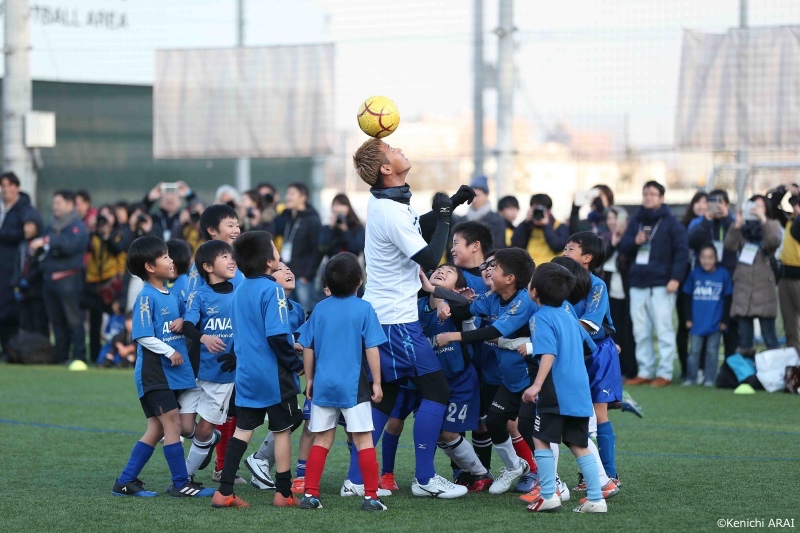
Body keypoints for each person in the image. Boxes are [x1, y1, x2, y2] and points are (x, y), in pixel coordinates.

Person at [352, 136, 474, 499]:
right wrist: (447, 217)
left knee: (387, 398)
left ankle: (357, 479)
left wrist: (447, 205)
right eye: (392, 150)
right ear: (385, 169)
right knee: (437, 390)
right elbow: (430, 259)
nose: (400, 148)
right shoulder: (390, 209)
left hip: (388, 317)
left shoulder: (388, 201)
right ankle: (424, 479)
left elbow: (416, 226)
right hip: (395, 320)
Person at [111, 236, 212, 498]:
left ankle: (125, 482)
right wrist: (169, 351)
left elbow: (187, 320)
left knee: (156, 429)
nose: (171, 260)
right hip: (155, 375)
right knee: (173, 426)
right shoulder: (146, 297)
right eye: (165, 256)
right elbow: (143, 335)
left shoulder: (171, 294)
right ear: (150, 266)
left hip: (173, 376)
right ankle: (181, 483)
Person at [210, 231, 303, 509]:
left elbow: (242, 334)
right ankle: (284, 494)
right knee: (283, 431)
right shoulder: (272, 290)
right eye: (275, 250)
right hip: (273, 376)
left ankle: (224, 492)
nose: (279, 255)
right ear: (267, 262)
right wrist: (295, 364)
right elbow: (276, 336)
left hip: (247, 376)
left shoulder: (240, 290)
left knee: (243, 431)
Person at [436, 248, 537, 495]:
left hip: (531, 376)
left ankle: (544, 477)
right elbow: (466, 311)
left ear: (510, 278)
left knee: (540, 431)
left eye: (496, 266)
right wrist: (442, 300)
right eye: (487, 266)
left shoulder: (523, 301)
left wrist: (453, 336)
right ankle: (515, 467)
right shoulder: (492, 297)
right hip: (504, 376)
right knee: (495, 422)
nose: (489, 270)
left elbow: (494, 332)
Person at [296, 252, 388, 512]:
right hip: (354, 386)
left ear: (327, 283)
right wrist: (377, 383)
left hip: (324, 384)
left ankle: (310, 495)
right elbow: (372, 349)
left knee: (322, 439)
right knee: (363, 441)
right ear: (360, 281)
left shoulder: (320, 308)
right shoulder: (364, 308)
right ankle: (371, 497)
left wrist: (311, 379)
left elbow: (308, 347)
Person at [521, 263, 607, 514]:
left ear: (534, 291)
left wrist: (536, 385)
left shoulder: (540, 317)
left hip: (555, 390)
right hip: (580, 390)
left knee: (540, 437)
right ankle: (595, 499)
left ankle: (548, 495)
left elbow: (547, 352)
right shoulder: (570, 314)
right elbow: (590, 347)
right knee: (579, 443)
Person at [418, 265, 494, 491]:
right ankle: (467, 473)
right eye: (438, 269)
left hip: (460, 380)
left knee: (450, 432)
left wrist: (441, 297)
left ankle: (481, 473)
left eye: (448, 272)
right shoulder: (417, 307)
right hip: (431, 382)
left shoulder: (458, 307)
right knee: (437, 432)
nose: (441, 271)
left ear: (459, 289)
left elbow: (465, 308)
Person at [561, 232, 625, 490]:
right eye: (565, 247)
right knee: (577, 415)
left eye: (571, 248)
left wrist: (557, 331)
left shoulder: (597, 285)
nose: (565, 252)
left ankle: (608, 474)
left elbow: (591, 323)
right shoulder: (560, 282)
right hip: (573, 352)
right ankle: (590, 473)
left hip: (598, 353)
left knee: (599, 415)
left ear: (587, 258)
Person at [245, 261, 312, 496]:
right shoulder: (267, 300)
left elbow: (301, 336)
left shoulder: (297, 308)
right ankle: (258, 460)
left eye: (290, 269)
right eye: (281, 269)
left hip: (288, 373)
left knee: (290, 419)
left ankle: (260, 465)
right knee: (286, 418)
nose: (288, 272)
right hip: (270, 372)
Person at [618, 181, 688, 386]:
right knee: (640, 331)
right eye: (645, 193)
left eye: (653, 194)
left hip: (662, 284)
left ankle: (665, 373)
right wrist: (634, 242)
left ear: (662, 197)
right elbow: (623, 247)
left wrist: (675, 278)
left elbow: (682, 253)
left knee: (663, 329)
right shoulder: (636, 221)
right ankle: (646, 370)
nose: (648, 197)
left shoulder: (672, 223)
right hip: (638, 282)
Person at [179, 240, 238, 481]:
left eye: (231, 256)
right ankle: (209, 440)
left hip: (223, 375)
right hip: (195, 372)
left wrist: (237, 355)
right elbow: (188, 325)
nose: (231, 260)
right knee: (183, 427)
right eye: (224, 257)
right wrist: (203, 338)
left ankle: (184, 477)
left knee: (204, 429)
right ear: (208, 266)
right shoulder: (199, 295)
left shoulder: (240, 294)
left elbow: (250, 329)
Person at [30, 190, 90, 364]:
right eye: (54, 203)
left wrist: (48, 241)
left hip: (69, 279)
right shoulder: (51, 225)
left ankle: (79, 355)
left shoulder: (76, 226)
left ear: (70, 204)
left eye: (58, 203)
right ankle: (60, 355)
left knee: (73, 320)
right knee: (56, 321)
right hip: (49, 280)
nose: (54, 206)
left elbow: (71, 246)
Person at [724, 196, 783, 354]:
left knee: (770, 338)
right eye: (753, 206)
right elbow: (729, 246)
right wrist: (737, 224)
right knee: (745, 340)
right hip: (743, 289)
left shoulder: (771, 225)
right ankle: (747, 375)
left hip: (764, 288)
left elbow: (775, 240)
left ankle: (775, 374)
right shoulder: (742, 228)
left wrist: (763, 219)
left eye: (760, 206)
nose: (756, 209)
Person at [688, 189, 738, 357]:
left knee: (730, 325)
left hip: (729, 277)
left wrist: (727, 218)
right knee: (704, 324)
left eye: (720, 203)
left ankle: (730, 368)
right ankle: (700, 370)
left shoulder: (732, 222)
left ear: (727, 205)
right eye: (712, 202)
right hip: (705, 278)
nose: (716, 207)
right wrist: (707, 220)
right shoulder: (700, 222)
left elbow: (739, 240)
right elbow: (691, 241)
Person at [85, 205, 131, 362]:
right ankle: (94, 356)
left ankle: (115, 356)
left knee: (115, 322)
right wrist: (90, 230)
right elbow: (85, 249)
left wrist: (106, 236)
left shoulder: (119, 234)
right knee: (94, 322)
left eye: (108, 216)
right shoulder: (93, 234)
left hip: (112, 284)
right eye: (102, 216)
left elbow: (118, 249)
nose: (105, 220)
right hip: (93, 283)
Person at [682, 244, 733, 386]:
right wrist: (688, 318)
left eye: (710, 257)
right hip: (697, 322)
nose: (707, 261)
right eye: (704, 257)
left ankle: (710, 379)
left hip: (715, 322)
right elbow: (686, 296)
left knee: (712, 352)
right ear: (699, 258)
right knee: (694, 351)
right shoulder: (694, 274)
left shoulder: (723, 275)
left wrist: (724, 320)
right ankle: (691, 378)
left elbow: (728, 298)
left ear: (716, 258)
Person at [599, 206, 636, 378]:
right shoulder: (604, 238)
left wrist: (622, 242)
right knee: (613, 328)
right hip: (609, 288)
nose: (612, 222)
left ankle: (630, 368)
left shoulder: (631, 238)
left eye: (616, 218)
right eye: (609, 218)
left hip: (627, 288)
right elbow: (599, 260)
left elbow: (629, 260)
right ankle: (614, 368)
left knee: (628, 328)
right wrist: (613, 244)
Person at [274, 182, 323, 311]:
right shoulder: (288, 218)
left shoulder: (312, 220)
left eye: (292, 194)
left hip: (303, 278)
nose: (288, 197)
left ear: (303, 197)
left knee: (305, 311)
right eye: (287, 193)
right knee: (290, 311)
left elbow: (317, 251)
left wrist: (307, 276)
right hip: (289, 274)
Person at [677, 191, 708, 378]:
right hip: (685, 282)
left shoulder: (712, 225)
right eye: (699, 201)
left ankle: (702, 367)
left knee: (703, 324)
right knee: (684, 325)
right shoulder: (683, 226)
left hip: (704, 283)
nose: (702, 206)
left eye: (706, 202)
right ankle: (685, 368)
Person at [0, 172, 32, 355]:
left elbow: (21, 233)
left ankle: (10, 348)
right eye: (3, 186)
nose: (5, 189)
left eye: (9, 185)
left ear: (16, 187)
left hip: (14, 265)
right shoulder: (2, 207)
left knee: (10, 308)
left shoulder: (24, 208)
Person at [768, 184, 800, 354]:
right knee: (791, 328)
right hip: (786, 278)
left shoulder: (795, 224)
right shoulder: (789, 221)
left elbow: (797, 232)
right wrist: (784, 189)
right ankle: (795, 373)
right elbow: (771, 204)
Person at [12, 208, 49, 338]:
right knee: (25, 323)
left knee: (39, 323)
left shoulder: (42, 244)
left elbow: (41, 266)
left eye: (29, 225)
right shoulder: (22, 245)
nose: (25, 229)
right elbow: (18, 266)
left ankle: (41, 352)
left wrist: (28, 280)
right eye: (24, 225)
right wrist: (17, 285)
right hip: (23, 293)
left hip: (37, 292)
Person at [511, 193, 569, 266]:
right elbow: (516, 244)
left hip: (551, 267)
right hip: (531, 268)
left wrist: (546, 225)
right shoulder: (528, 225)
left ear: (549, 210)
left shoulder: (559, 226)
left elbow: (557, 246)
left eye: (541, 210)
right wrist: (525, 223)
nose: (538, 213)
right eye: (535, 209)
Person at [460, 175, 506, 252]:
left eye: (477, 196)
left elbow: (498, 248)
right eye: (471, 196)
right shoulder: (462, 220)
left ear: (487, 195)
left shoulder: (497, 221)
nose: (474, 200)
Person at [319, 193, 366, 260]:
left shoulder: (357, 226)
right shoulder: (328, 227)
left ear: (348, 207)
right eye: (336, 205)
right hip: (332, 266)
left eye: (342, 205)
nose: (339, 208)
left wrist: (345, 230)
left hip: (350, 266)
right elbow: (322, 248)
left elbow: (356, 250)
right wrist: (330, 229)